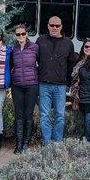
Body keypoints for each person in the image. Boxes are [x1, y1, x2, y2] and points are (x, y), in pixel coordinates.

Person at [36, 16, 75, 145]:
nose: (54, 28)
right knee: (44, 116)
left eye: (57, 26)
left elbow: (71, 65)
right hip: (44, 84)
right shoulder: (40, 40)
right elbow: (34, 60)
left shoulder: (68, 43)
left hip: (60, 86)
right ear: (47, 26)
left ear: (61, 27)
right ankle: (47, 143)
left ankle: (57, 142)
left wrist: (68, 83)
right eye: (52, 25)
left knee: (60, 115)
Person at [11, 24, 39, 154]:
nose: (21, 36)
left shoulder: (35, 48)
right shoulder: (13, 49)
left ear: (27, 34)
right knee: (19, 116)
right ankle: (19, 144)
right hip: (17, 86)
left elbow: (41, 64)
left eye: (23, 33)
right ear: (15, 36)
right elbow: (10, 66)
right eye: (18, 34)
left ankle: (26, 143)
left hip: (31, 86)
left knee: (28, 115)